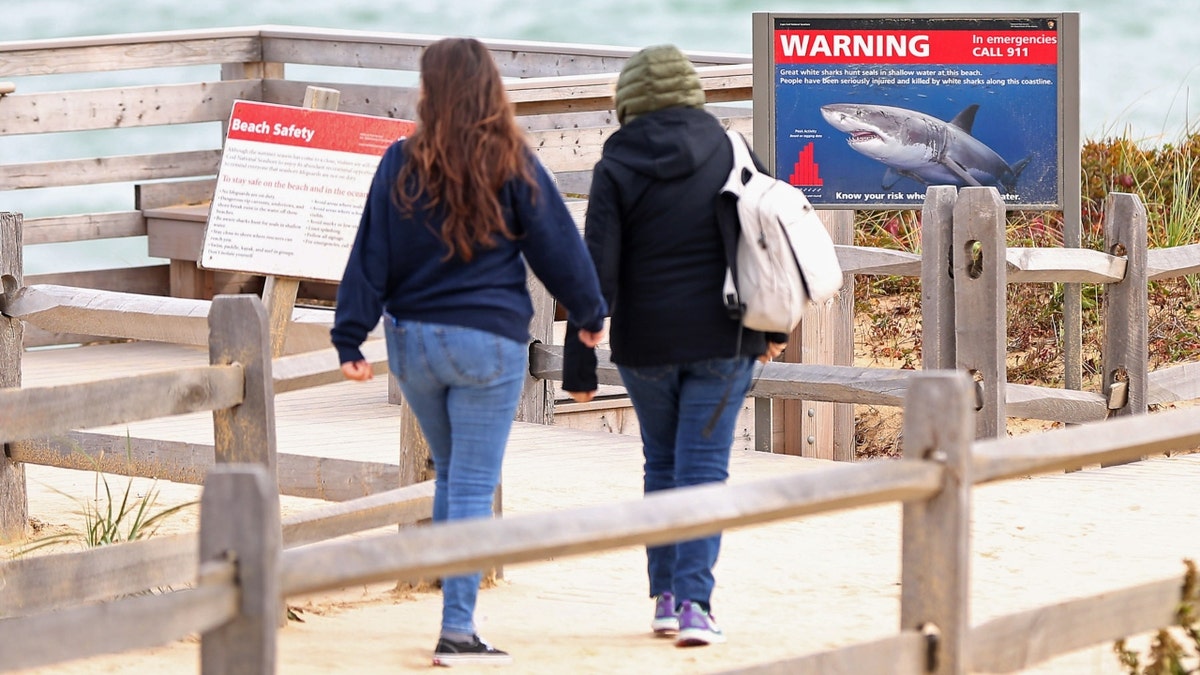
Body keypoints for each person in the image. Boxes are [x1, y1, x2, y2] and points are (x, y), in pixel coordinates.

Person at [331, 37, 607, 667]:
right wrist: (589, 313)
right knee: (472, 485)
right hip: (487, 345)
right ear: (490, 88)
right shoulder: (512, 160)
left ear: (430, 92)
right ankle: (457, 629)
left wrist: (350, 333)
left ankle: (456, 613)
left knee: (454, 477)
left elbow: (370, 251)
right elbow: (558, 247)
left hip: (414, 346)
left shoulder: (399, 161)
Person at [561, 44, 786, 648]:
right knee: (703, 469)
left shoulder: (614, 161)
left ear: (629, 98)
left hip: (645, 346)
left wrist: (578, 364)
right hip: (724, 337)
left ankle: (665, 597)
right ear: (692, 91)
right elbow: (762, 245)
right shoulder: (731, 149)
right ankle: (695, 605)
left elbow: (596, 267)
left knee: (660, 463)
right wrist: (771, 332)